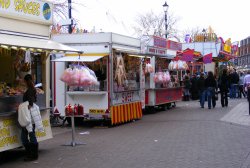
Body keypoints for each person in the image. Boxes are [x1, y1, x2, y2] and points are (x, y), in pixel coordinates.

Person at [22, 74, 39, 161]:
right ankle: (32, 154)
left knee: (26, 136)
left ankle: (32, 154)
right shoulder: (32, 89)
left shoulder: (30, 90)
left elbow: (30, 103)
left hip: (28, 115)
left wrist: (24, 108)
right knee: (30, 134)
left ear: (25, 81)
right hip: (31, 115)